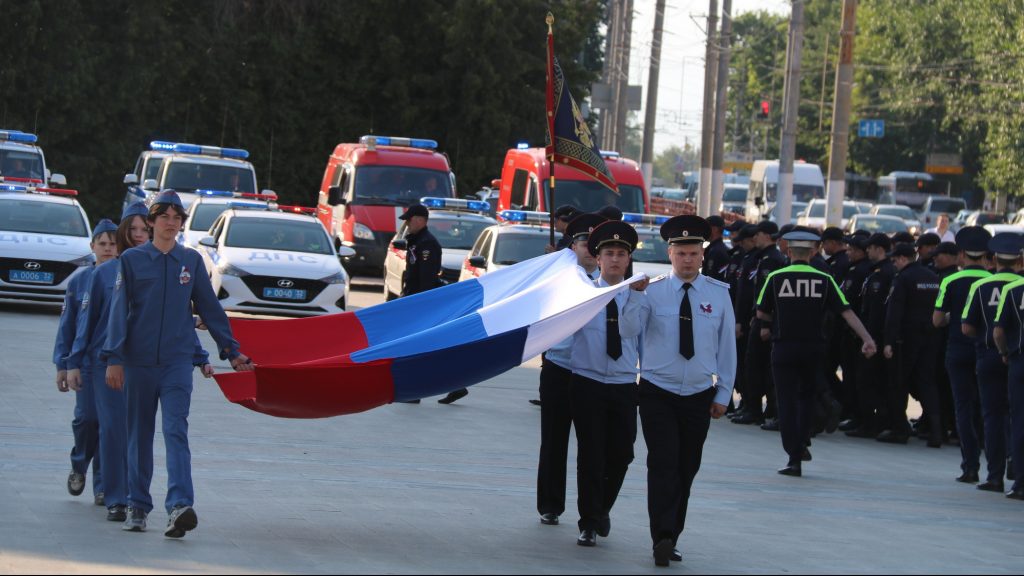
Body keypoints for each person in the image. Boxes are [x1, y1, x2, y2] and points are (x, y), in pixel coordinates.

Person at [103, 191, 253, 537]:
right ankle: (137, 507)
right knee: (139, 436)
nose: (171, 223)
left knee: (176, 431)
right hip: (138, 363)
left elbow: (210, 309)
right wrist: (114, 358)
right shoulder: (132, 261)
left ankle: (180, 506)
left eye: (177, 218)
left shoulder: (191, 261)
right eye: (165, 217)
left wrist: (231, 351)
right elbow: (118, 313)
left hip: (176, 363)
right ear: (152, 222)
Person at [636, 215, 735, 566]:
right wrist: (631, 298)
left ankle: (672, 534)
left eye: (694, 253)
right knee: (663, 462)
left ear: (702, 254)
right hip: (656, 391)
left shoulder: (718, 295)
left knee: (686, 467)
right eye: (681, 253)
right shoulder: (650, 291)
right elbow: (631, 332)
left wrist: (724, 393)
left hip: (697, 394)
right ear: (670, 253)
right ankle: (661, 536)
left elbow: (727, 348)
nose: (687, 259)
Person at [756, 229, 877, 476]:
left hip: (784, 347)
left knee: (786, 402)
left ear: (789, 252)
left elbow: (761, 312)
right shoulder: (824, 280)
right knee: (806, 400)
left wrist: (769, 325)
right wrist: (867, 339)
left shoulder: (776, 277)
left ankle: (794, 455)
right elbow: (846, 312)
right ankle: (802, 442)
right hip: (813, 348)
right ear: (812, 253)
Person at [65, 206, 151, 522]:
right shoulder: (97, 276)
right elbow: (81, 324)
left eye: (144, 230)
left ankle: (121, 493)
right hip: (102, 362)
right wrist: (70, 363)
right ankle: (100, 483)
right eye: (132, 230)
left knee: (128, 430)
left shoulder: (159, 269)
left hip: (144, 364)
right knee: (101, 425)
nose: (138, 236)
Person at [569, 220, 647, 549]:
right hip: (587, 382)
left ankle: (602, 509)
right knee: (591, 454)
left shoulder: (641, 297)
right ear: (597, 259)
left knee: (622, 453)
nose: (615, 259)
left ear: (629, 260)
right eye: (609, 254)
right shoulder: (582, 293)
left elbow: (641, 341)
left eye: (621, 254)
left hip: (623, 384)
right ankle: (588, 521)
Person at [536, 213, 605, 526]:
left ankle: (591, 513)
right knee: (554, 440)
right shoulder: (555, 280)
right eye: (582, 243)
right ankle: (550, 504)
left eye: (595, 245)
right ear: (572, 247)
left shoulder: (610, 284)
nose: (589, 250)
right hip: (559, 368)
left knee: (593, 446)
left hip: (594, 373)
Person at [53, 219, 117, 506]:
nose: (107, 248)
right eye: (102, 243)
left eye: (113, 243)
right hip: (86, 362)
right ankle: (79, 463)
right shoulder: (80, 281)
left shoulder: (122, 278)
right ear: (92, 246)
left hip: (113, 363)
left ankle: (103, 485)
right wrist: (64, 365)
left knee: (108, 424)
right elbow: (68, 326)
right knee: (86, 419)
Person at [961, 232, 1023, 493]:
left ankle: (995, 474)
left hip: (990, 354)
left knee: (992, 415)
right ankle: (1015, 466)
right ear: (1020, 261)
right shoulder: (1019, 285)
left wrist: (993, 346)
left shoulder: (981, 286)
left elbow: (966, 327)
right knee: (1016, 416)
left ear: (994, 259)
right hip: (1015, 354)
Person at [933, 227, 991, 483]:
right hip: (990, 350)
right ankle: (999, 466)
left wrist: (951, 318)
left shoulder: (950, 281)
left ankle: (970, 466)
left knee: (963, 407)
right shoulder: (994, 281)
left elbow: (936, 320)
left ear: (962, 255)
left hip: (958, 350)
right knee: (991, 408)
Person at [878, 243, 942, 446]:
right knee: (927, 383)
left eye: (895, 259)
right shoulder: (933, 277)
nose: (893, 263)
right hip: (930, 337)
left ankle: (899, 430)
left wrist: (888, 341)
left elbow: (894, 312)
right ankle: (936, 431)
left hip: (905, 339)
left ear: (904, 258)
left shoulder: (903, 278)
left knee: (898, 383)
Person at [733, 221, 785, 426]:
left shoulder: (772, 259)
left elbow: (768, 294)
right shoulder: (761, 258)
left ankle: (757, 409)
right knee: (752, 366)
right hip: (756, 318)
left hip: (762, 320)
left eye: (759, 234)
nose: (755, 238)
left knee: (757, 367)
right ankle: (751, 406)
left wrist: (764, 322)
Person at [846, 233, 896, 439]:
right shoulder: (873, 271)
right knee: (864, 380)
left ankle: (873, 423)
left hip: (875, 336)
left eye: (871, 247)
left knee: (872, 381)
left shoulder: (887, 273)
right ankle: (865, 420)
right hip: (867, 334)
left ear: (880, 249)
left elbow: (880, 311)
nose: (867, 251)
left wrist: (871, 337)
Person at [993, 269, 1024, 500]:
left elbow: (998, 332)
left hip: (1019, 361)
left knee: (1020, 422)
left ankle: (1021, 483)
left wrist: (1004, 352)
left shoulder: (1012, 291)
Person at [702, 215, 730, 282]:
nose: (704, 231)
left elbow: (713, 279)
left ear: (714, 229)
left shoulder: (717, 251)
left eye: (706, 228)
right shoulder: (714, 249)